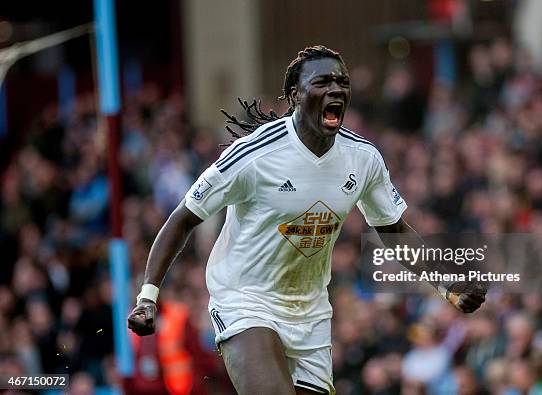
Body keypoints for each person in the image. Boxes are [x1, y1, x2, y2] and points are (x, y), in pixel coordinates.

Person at [127, 45, 486, 395]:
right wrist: (148, 296)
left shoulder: (363, 159)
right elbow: (183, 218)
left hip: (310, 311)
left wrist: (447, 283)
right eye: (322, 82)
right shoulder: (254, 155)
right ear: (295, 95)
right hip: (244, 300)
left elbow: (393, 229)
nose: (336, 90)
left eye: (342, 82)